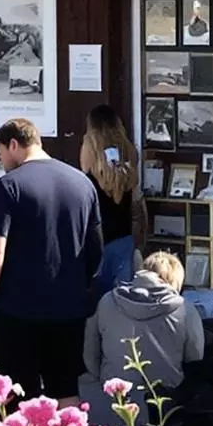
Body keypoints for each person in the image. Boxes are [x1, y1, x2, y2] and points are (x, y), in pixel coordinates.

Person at [0, 118, 104, 400]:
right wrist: (80, 288)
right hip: (68, 306)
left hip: (17, 306)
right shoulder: (83, 183)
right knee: (65, 389)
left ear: (13, 144)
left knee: (14, 392)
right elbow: (95, 248)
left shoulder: (7, 187)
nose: (0, 160)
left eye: (0, 152)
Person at [81, 249, 204, 426]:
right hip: (164, 403)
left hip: (111, 399)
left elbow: (90, 351)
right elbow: (195, 357)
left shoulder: (107, 301)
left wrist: (103, 379)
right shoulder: (185, 309)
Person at [79, 104, 146, 292]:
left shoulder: (89, 151)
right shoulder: (127, 159)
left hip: (97, 242)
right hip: (124, 240)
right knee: (123, 299)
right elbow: (137, 207)